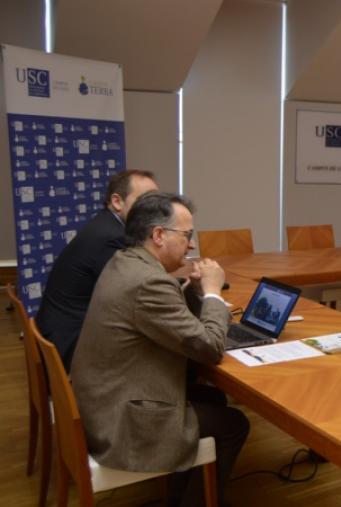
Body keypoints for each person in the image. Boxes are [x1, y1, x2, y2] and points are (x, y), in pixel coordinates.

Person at [70, 192, 249, 507]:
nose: (192, 245)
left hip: (103, 399)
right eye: (187, 235)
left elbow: (169, 320)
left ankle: (180, 496)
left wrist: (195, 291)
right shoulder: (148, 283)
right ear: (158, 235)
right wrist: (212, 292)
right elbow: (209, 348)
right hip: (120, 421)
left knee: (213, 397)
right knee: (235, 424)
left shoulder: (125, 261)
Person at [35, 169, 158, 370]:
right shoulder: (111, 237)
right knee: (165, 350)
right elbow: (139, 293)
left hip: (61, 329)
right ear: (117, 202)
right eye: (146, 201)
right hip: (72, 343)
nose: (155, 209)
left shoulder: (107, 225)